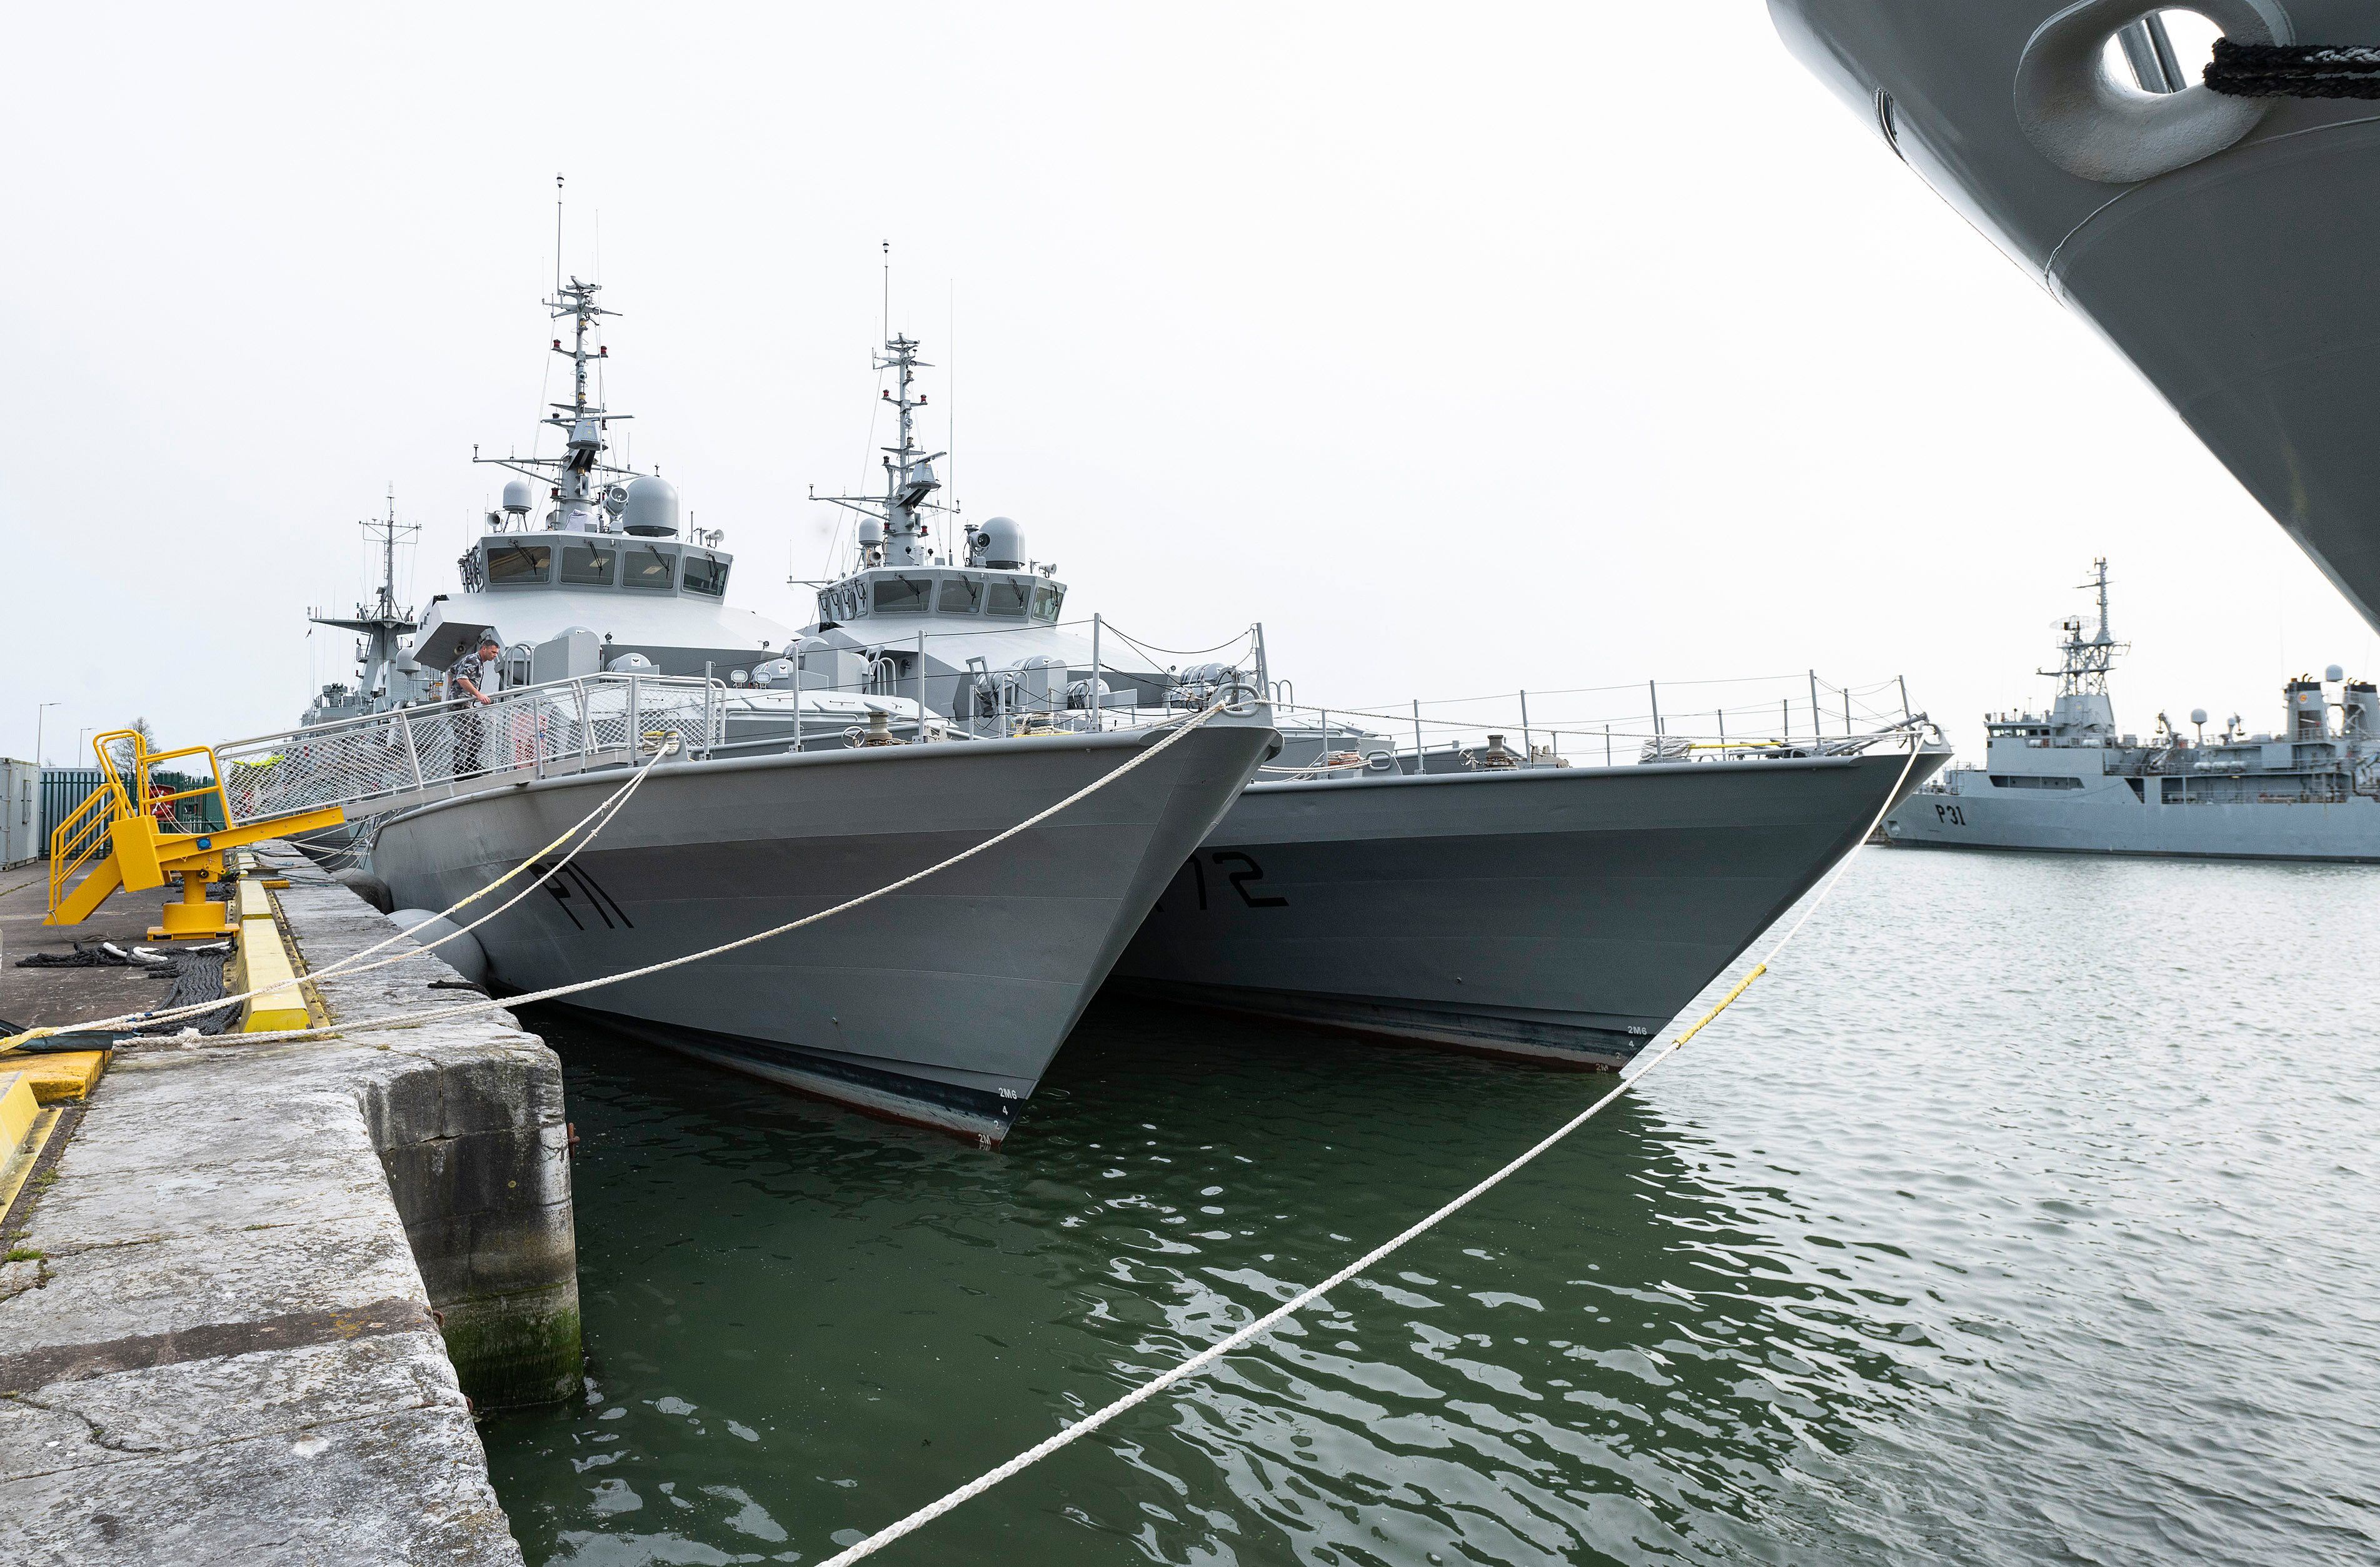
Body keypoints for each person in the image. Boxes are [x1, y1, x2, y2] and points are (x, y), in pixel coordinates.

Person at [453, 635, 505, 773]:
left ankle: (471, 763)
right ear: (484, 649)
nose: (495, 656)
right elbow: (461, 678)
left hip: (468, 704)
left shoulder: (477, 662)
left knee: (479, 732)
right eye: (493, 652)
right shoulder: (473, 660)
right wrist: (478, 695)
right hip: (461, 704)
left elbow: (452, 671)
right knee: (464, 736)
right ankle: (459, 770)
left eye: (496, 653)